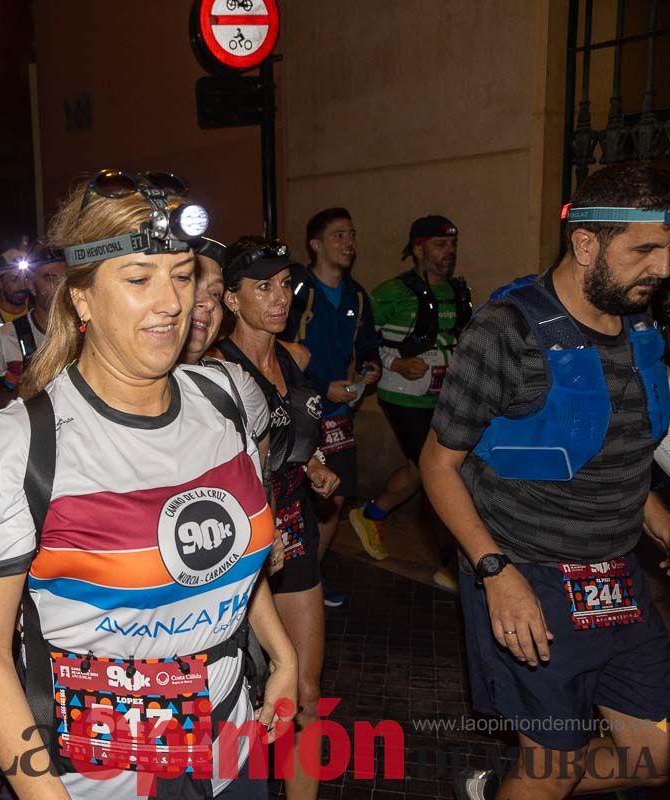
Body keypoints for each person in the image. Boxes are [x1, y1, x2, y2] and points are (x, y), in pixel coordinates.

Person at [0, 171, 298, 799]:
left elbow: (229, 556)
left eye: (184, 274)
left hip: (231, 747)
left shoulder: (224, 398)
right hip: (101, 777)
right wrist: (41, 793)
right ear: (82, 297)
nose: (172, 302)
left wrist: (282, 653)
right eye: (139, 279)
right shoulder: (21, 446)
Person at [421, 162, 670, 799]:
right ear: (586, 244)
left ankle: (505, 786)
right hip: (529, 576)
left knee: (656, 753)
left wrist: (661, 526)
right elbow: (438, 464)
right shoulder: (506, 333)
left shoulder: (642, 328)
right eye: (646, 249)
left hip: (617, 577)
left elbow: (613, 456)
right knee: (552, 766)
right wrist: (495, 573)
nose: (663, 268)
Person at [214, 237, 339, 800]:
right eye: (263, 286)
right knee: (251, 692)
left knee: (307, 694)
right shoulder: (216, 372)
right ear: (232, 300)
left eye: (286, 283)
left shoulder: (299, 358)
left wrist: (314, 464)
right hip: (245, 541)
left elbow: (287, 436)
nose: (280, 296)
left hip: (297, 526)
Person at [349, 215, 470, 590]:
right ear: (419, 248)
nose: (448, 252)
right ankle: (450, 563)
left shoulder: (458, 291)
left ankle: (372, 514)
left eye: (452, 244)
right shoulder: (390, 293)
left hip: (442, 396)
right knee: (439, 473)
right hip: (402, 395)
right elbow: (365, 341)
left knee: (422, 470)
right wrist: (396, 362)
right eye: (439, 245)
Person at [282, 208, 381, 607]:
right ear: (316, 244)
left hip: (338, 415)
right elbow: (278, 351)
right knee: (295, 499)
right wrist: (324, 386)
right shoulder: (294, 292)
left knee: (334, 498)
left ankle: (311, 576)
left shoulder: (358, 295)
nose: (349, 243)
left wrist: (371, 368)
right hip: (296, 410)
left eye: (352, 235)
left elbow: (368, 346)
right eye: (339, 236)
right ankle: (288, 581)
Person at [0, 247, 65, 414]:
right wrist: (16, 399)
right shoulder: (7, 336)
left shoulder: (88, 329)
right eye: (50, 278)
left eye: (65, 277)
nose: (60, 285)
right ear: (31, 286)